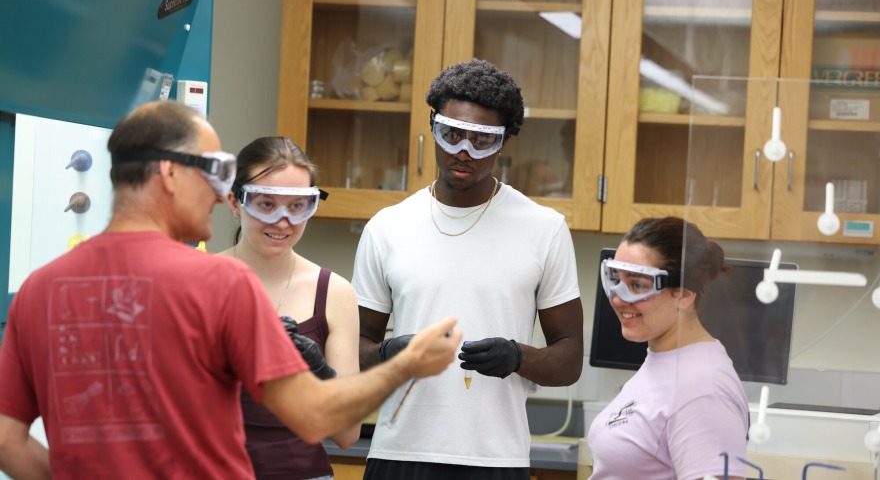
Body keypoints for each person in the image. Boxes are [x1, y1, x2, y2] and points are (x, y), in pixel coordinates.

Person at [0, 101, 462, 479]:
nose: (223, 193)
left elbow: (6, 439)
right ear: (169, 173)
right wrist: (405, 364)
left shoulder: (39, 287)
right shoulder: (219, 284)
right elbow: (319, 417)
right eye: (217, 171)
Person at [352, 58, 584, 480]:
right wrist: (389, 354)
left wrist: (517, 357)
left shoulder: (544, 229)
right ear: (433, 128)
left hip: (495, 459)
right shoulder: (387, 227)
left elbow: (569, 360)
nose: (464, 151)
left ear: (504, 142)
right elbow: (353, 348)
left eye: (482, 140)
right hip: (400, 453)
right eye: (452, 135)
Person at [219, 136, 360, 479]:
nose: (283, 221)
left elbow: (347, 434)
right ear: (235, 203)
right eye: (266, 204)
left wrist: (320, 374)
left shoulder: (335, 292)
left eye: (298, 206)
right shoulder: (195, 284)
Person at [587, 216, 749, 479]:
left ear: (684, 295)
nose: (618, 298)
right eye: (616, 279)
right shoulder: (664, 360)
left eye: (637, 285)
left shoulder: (703, 389)